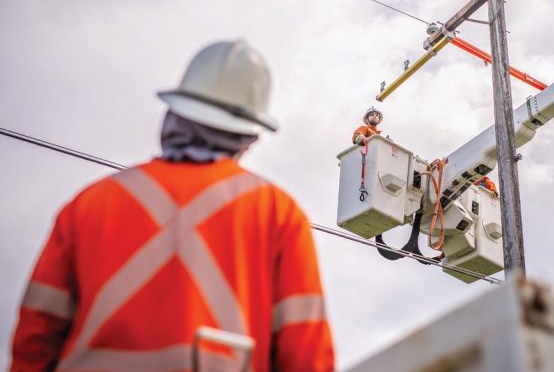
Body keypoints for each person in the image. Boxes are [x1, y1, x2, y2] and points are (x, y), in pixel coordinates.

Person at [10, 40, 335, 371]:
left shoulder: (89, 204)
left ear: (174, 114)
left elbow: (35, 336)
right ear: (248, 137)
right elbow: (306, 352)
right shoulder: (278, 213)